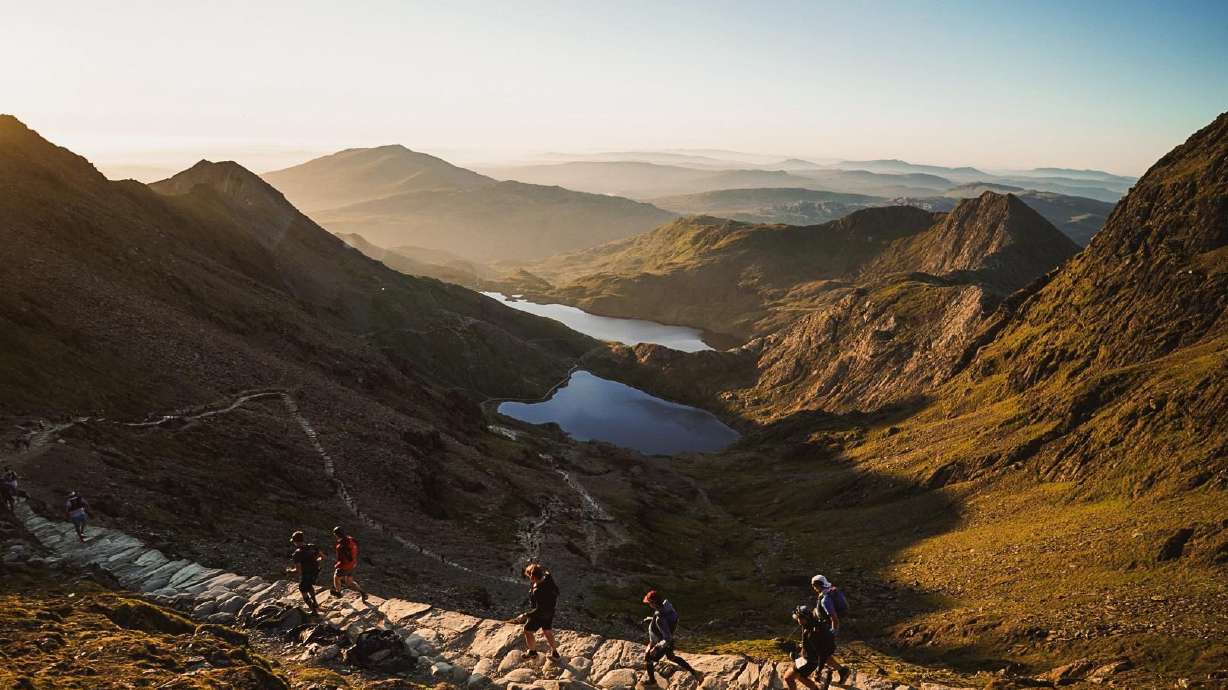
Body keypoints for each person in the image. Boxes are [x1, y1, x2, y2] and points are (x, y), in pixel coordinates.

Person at [642, 590, 700, 686]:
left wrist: (656, 648)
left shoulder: (660, 618)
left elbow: (666, 637)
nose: (649, 605)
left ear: (653, 603)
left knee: (648, 658)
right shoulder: (668, 608)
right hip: (668, 642)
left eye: (649, 603)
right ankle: (693, 672)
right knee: (671, 657)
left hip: (661, 643)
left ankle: (652, 682)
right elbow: (668, 623)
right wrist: (651, 619)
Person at [513, 563, 560, 659]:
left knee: (527, 630)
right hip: (550, 611)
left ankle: (532, 652)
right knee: (547, 631)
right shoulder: (547, 577)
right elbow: (556, 590)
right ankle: (555, 654)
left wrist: (525, 615)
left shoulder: (538, 591)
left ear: (533, 577)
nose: (530, 579)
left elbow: (539, 609)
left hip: (540, 613)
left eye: (530, 576)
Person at [784, 605, 836, 690]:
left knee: (790, 678)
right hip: (807, 659)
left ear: (804, 618)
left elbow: (822, 653)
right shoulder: (810, 624)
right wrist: (801, 649)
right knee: (797, 678)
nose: (798, 620)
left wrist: (818, 671)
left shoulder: (811, 633)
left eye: (799, 618)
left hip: (809, 661)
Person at [811, 575, 851, 685]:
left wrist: (833, 632)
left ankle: (823, 672)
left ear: (818, 585)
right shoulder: (829, 592)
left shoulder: (825, 599)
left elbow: (834, 617)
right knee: (823, 652)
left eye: (814, 585)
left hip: (827, 629)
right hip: (825, 627)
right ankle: (840, 670)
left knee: (822, 652)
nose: (813, 588)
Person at [286, 530, 324, 615]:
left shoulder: (297, 554)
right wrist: (316, 560)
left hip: (306, 574)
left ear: (295, 542)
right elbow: (323, 557)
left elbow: (298, 571)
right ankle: (316, 604)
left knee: (303, 590)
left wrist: (289, 571)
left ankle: (314, 611)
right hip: (315, 572)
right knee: (309, 586)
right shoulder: (312, 546)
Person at [330, 526, 368, 601]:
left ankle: (338, 593)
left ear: (337, 535)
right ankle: (363, 593)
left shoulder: (340, 546)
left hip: (345, 565)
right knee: (349, 582)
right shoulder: (351, 539)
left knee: (336, 577)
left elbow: (342, 559)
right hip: (353, 563)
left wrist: (337, 565)